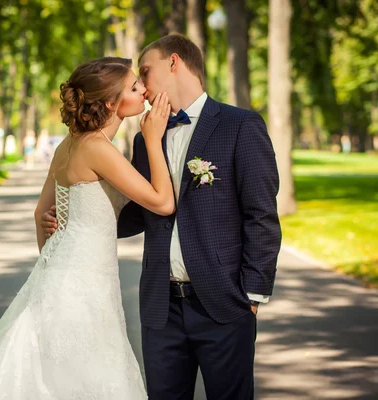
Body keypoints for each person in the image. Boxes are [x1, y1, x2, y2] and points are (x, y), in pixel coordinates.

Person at [42, 34, 282, 400]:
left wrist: (253, 293)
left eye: (146, 72)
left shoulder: (240, 126)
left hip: (223, 302)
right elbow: (141, 212)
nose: (142, 84)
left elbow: (261, 214)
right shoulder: (145, 140)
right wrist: (79, 222)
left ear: (174, 63)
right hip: (161, 306)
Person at [0, 57, 177, 399]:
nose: (144, 89)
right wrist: (152, 138)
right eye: (135, 87)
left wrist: (51, 261)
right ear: (109, 103)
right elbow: (163, 203)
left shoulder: (70, 143)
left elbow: (39, 214)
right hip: (85, 283)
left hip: (58, 276)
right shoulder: (97, 148)